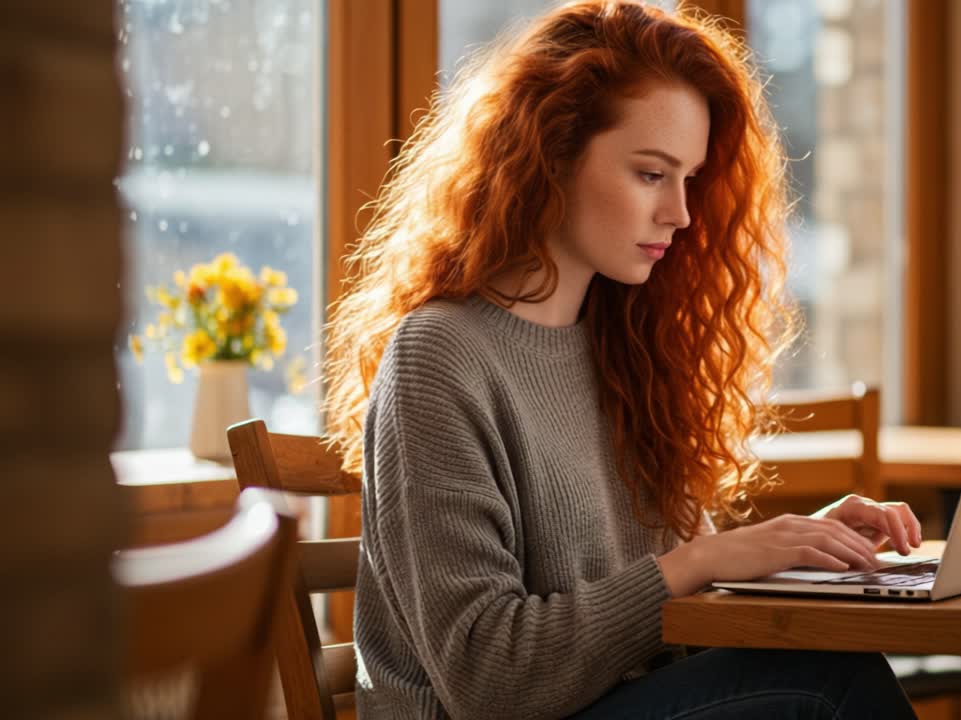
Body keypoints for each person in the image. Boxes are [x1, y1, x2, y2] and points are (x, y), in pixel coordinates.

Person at [323, 2, 922, 718]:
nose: (682, 213)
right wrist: (703, 561)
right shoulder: (441, 355)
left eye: (689, 179)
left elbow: (666, 598)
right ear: (550, 154)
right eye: (650, 174)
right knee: (831, 688)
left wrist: (791, 552)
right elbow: (489, 681)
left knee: (832, 668)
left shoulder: (624, 350)